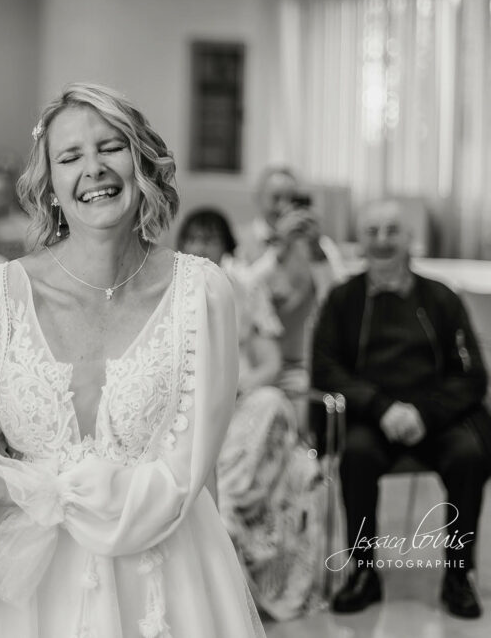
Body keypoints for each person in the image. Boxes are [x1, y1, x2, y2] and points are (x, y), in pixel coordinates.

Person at [0, 83, 264, 637]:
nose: (94, 169)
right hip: (17, 596)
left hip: (165, 587)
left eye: (111, 147)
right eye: (70, 156)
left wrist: (19, 487)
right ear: (51, 186)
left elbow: (189, 476)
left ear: (142, 163)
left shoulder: (202, 294)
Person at [312, 199, 491, 619]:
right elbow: (325, 368)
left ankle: (458, 574)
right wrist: (382, 408)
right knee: (355, 456)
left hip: (436, 417)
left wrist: (423, 414)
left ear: (410, 239)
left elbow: (472, 376)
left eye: (392, 231)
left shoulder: (442, 298)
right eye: (372, 232)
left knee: (469, 454)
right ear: (361, 242)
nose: (382, 241)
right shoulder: (342, 300)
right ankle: (363, 571)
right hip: (372, 418)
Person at [178, 208, 324, 620]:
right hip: (189, 403)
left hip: (240, 398)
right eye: (193, 237)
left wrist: (238, 383)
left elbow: (271, 359)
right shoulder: (165, 289)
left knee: (272, 403)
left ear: (227, 246)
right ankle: (219, 513)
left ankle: (232, 503)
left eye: (210, 238)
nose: (200, 246)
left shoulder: (243, 288)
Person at [235, 165, 344, 407]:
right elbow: (241, 295)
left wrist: (316, 250)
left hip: (299, 366)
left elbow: (336, 302)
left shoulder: (319, 247)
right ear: (258, 198)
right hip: (250, 364)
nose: (284, 207)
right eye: (275, 198)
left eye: (291, 199)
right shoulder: (239, 241)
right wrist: (279, 249)